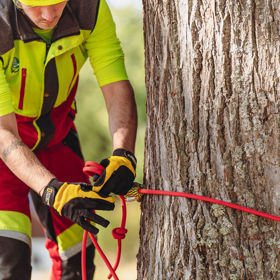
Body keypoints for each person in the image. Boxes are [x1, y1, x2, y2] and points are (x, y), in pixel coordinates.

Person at [0, 0, 138, 278]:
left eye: (58, 2)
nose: (49, 15)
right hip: (5, 149)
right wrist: (53, 190)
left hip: (58, 138)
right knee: (9, 263)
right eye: (36, 6)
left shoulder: (90, 8)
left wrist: (124, 154)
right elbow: (4, 133)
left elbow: (116, 87)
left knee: (78, 260)